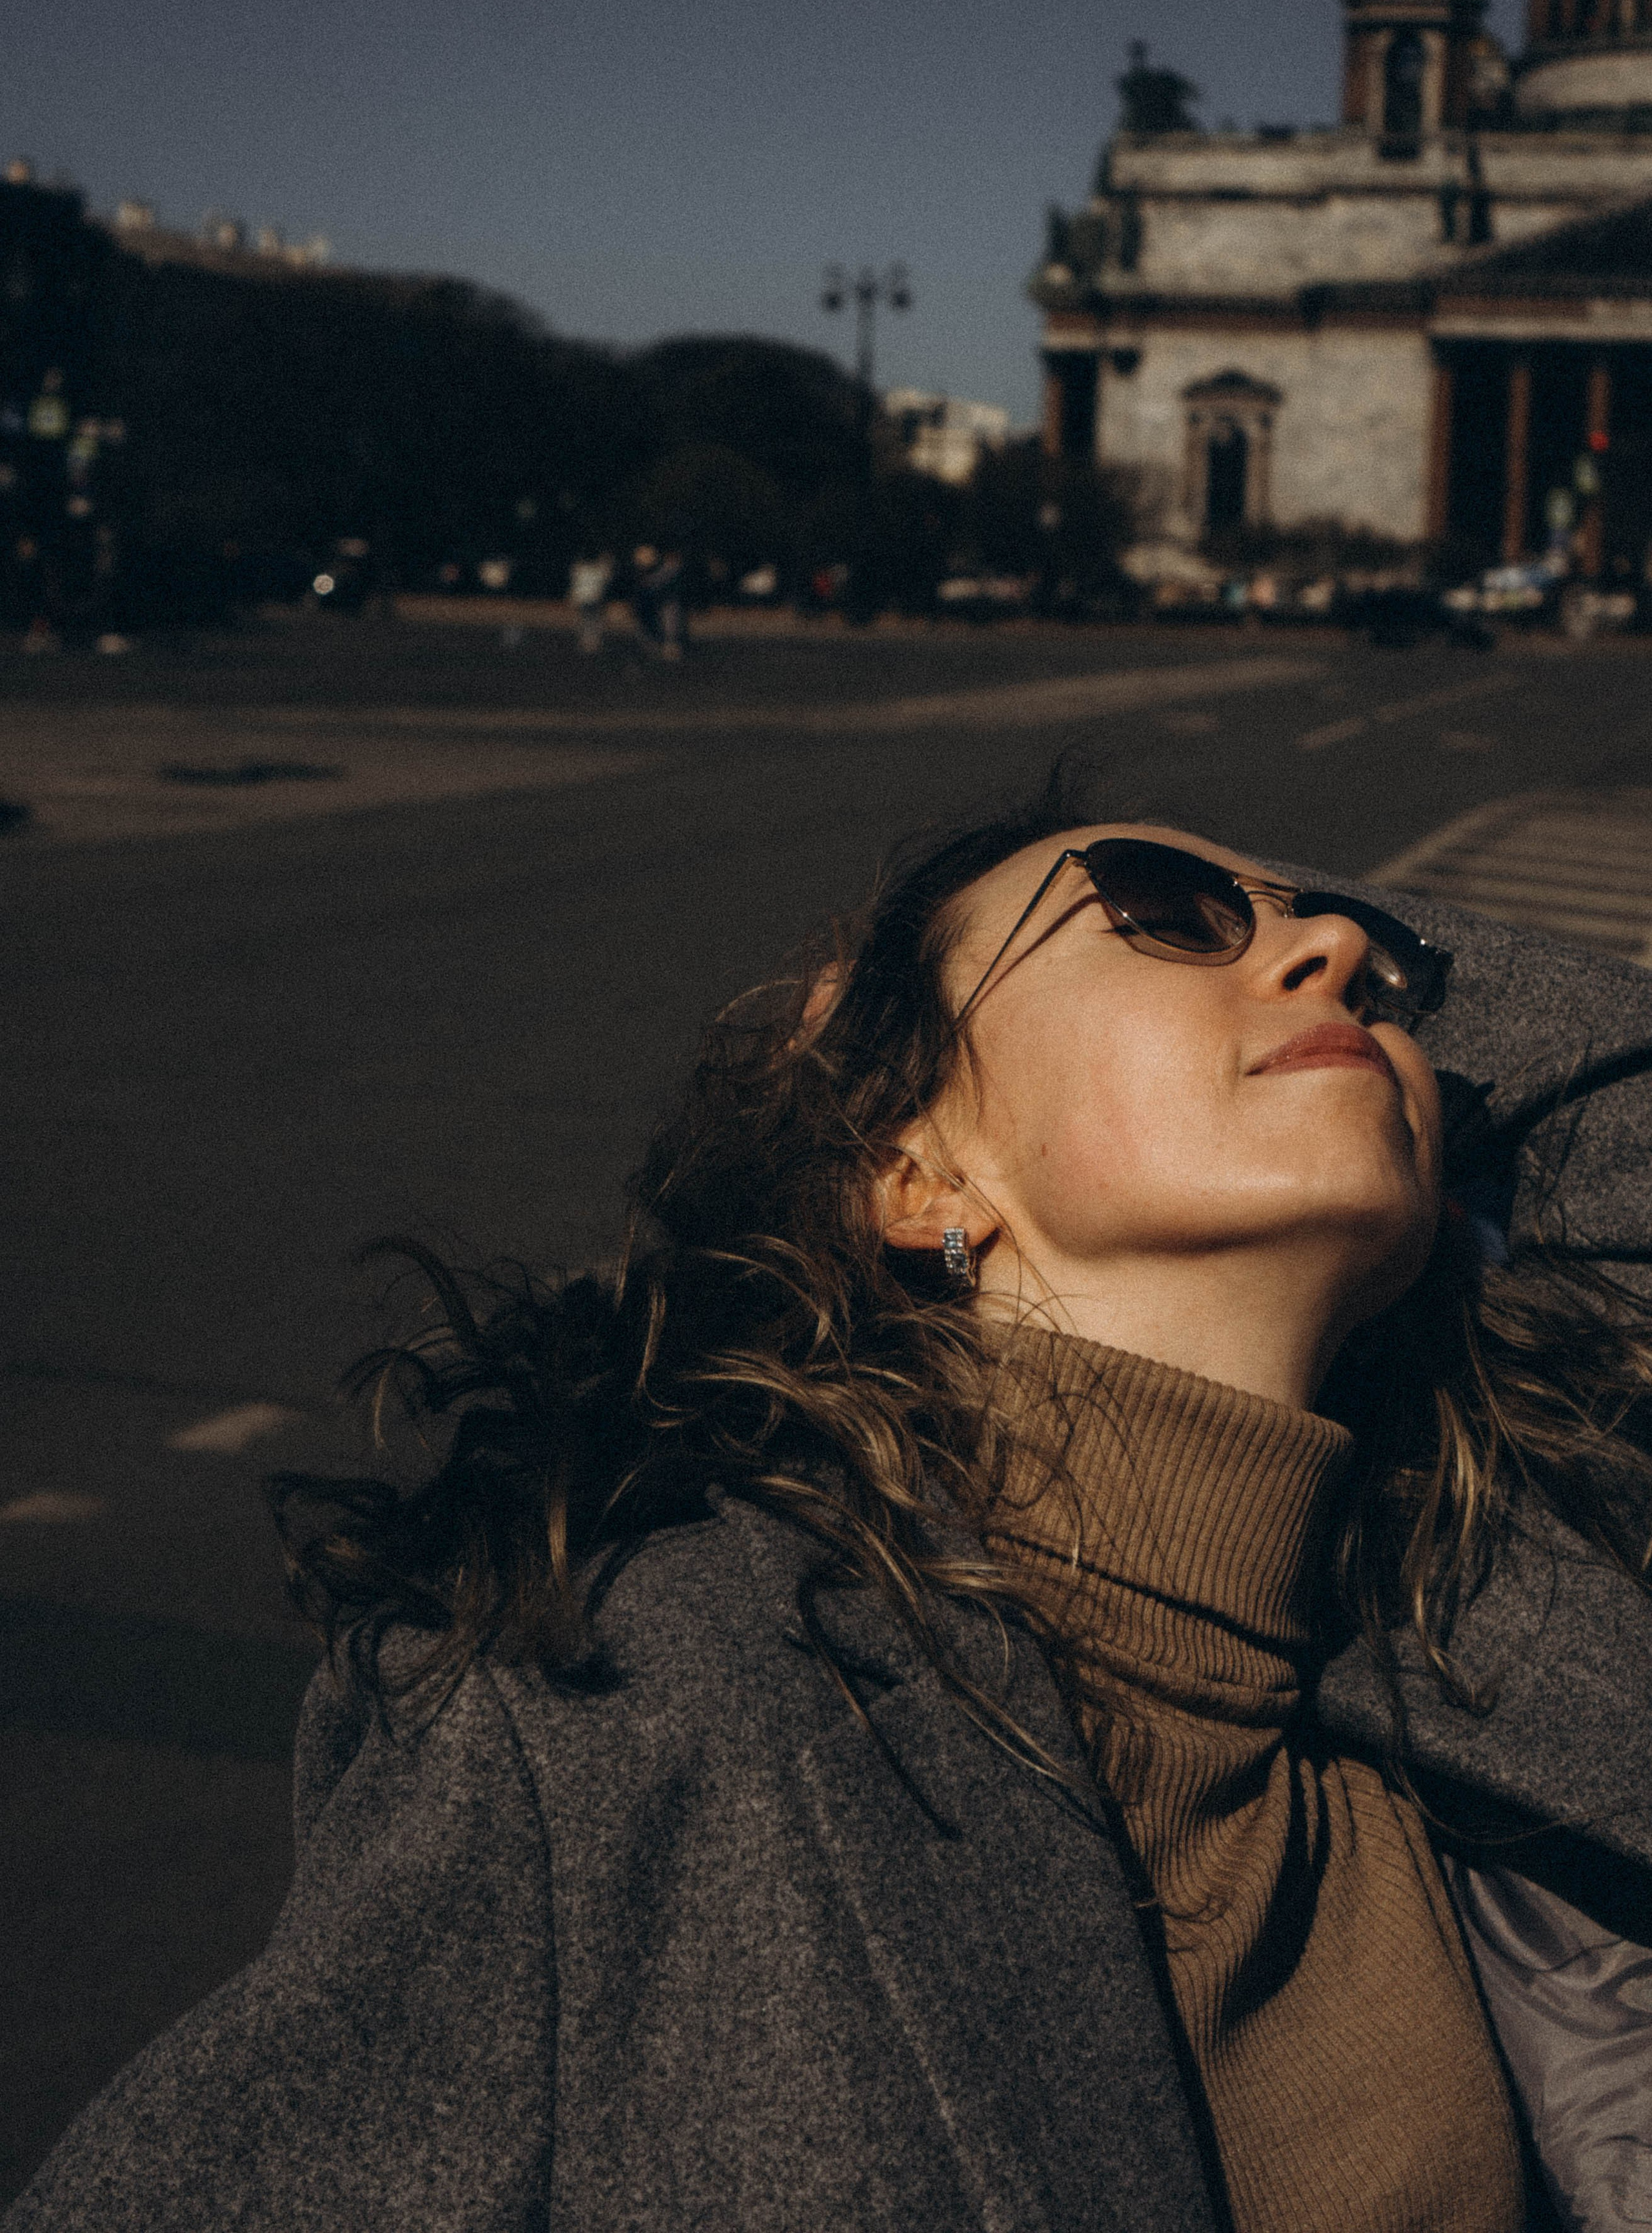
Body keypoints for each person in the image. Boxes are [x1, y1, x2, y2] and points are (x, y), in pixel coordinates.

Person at [10, 780, 1652, 2233]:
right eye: (1162, 913)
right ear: (918, 1174)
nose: (1335, 957)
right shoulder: (625, 1718)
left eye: (1379, 970)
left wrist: (1229, 909)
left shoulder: (1492, 1606)